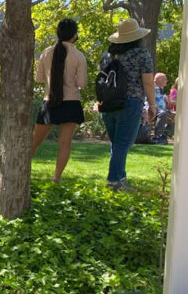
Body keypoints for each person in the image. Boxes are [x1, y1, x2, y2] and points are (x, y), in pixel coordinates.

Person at [99, 18, 155, 191]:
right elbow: (147, 83)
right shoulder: (141, 55)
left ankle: (120, 178)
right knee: (123, 144)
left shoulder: (107, 55)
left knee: (117, 144)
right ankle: (114, 182)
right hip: (130, 103)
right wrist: (152, 105)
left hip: (108, 104)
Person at [30, 18, 86, 182]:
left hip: (50, 101)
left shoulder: (47, 52)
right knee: (65, 143)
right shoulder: (78, 56)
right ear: (74, 35)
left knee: (35, 140)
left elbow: (39, 78)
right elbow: (82, 83)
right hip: (71, 102)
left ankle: (22, 170)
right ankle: (56, 178)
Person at [151, 73, 173, 144]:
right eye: (165, 79)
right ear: (159, 80)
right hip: (152, 108)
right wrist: (159, 109)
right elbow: (151, 100)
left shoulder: (161, 89)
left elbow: (160, 97)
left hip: (161, 109)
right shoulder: (152, 88)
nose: (167, 81)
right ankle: (157, 137)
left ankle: (164, 136)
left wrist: (165, 97)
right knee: (162, 114)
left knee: (174, 115)